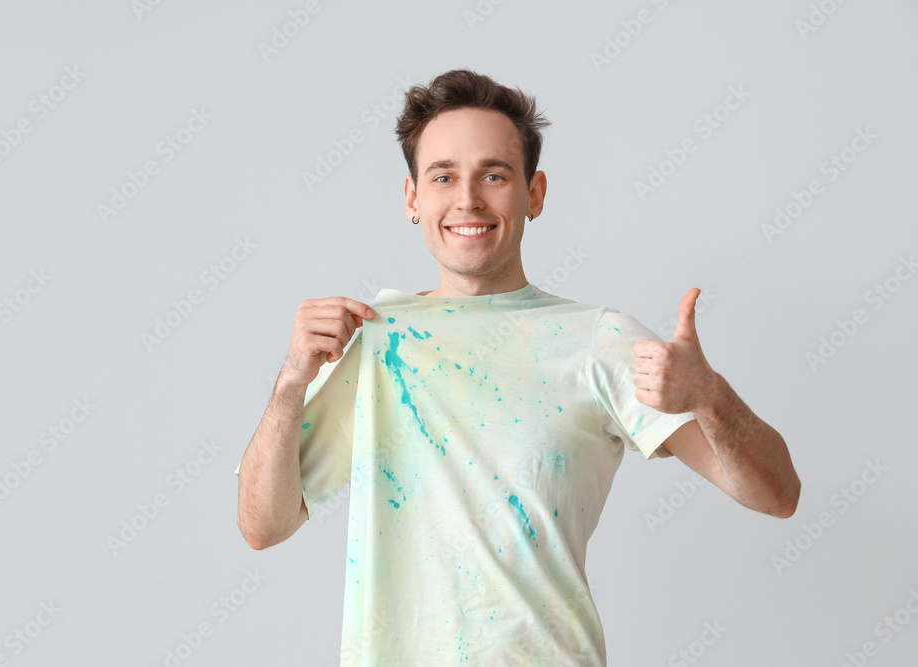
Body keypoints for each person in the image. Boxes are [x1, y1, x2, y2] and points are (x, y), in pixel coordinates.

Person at [235, 69, 800, 666]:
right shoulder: (372, 345)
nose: (468, 199)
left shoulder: (596, 341)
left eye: (494, 175)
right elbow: (262, 527)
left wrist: (710, 397)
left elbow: (778, 495)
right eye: (444, 176)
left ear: (534, 193)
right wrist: (291, 382)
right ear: (412, 198)